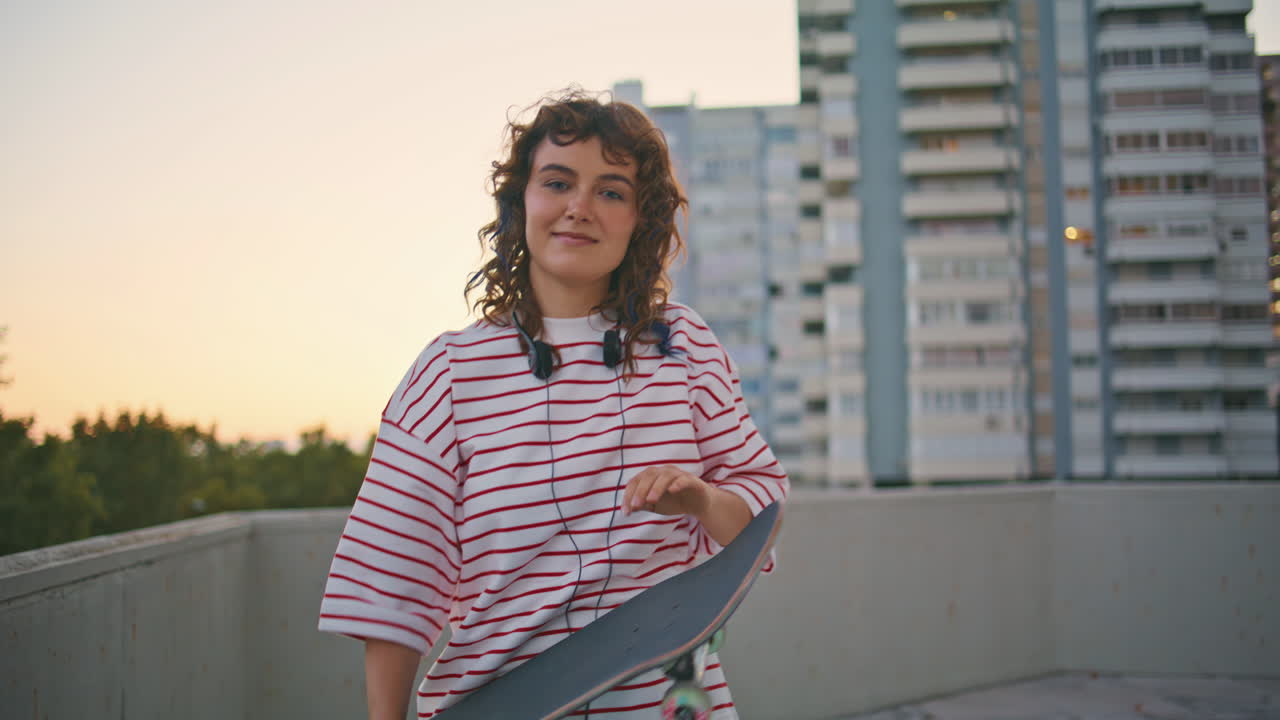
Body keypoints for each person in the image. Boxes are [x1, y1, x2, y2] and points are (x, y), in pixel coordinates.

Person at [318, 89, 789, 720]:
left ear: (639, 219)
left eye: (611, 191)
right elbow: (394, 585)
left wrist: (703, 501)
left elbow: (759, 517)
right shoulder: (448, 374)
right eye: (558, 182)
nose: (579, 208)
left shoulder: (685, 347)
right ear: (521, 203)